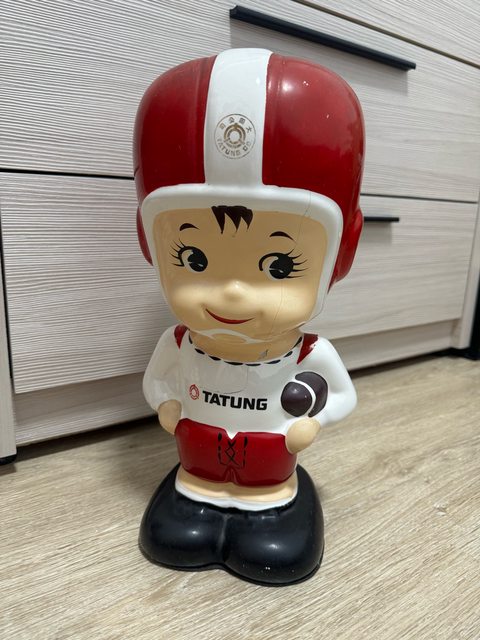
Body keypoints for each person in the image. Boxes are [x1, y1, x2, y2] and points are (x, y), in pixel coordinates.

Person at [133, 48, 365, 585]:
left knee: (272, 539)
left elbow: (342, 395)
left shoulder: (309, 355)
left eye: (279, 266)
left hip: (271, 472)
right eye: (194, 260)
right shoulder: (180, 343)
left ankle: (268, 508)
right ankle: (199, 499)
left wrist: (311, 422)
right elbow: (157, 380)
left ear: (342, 253)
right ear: (148, 242)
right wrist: (166, 405)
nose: (233, 294)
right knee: (181, 526)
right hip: (197, 460)